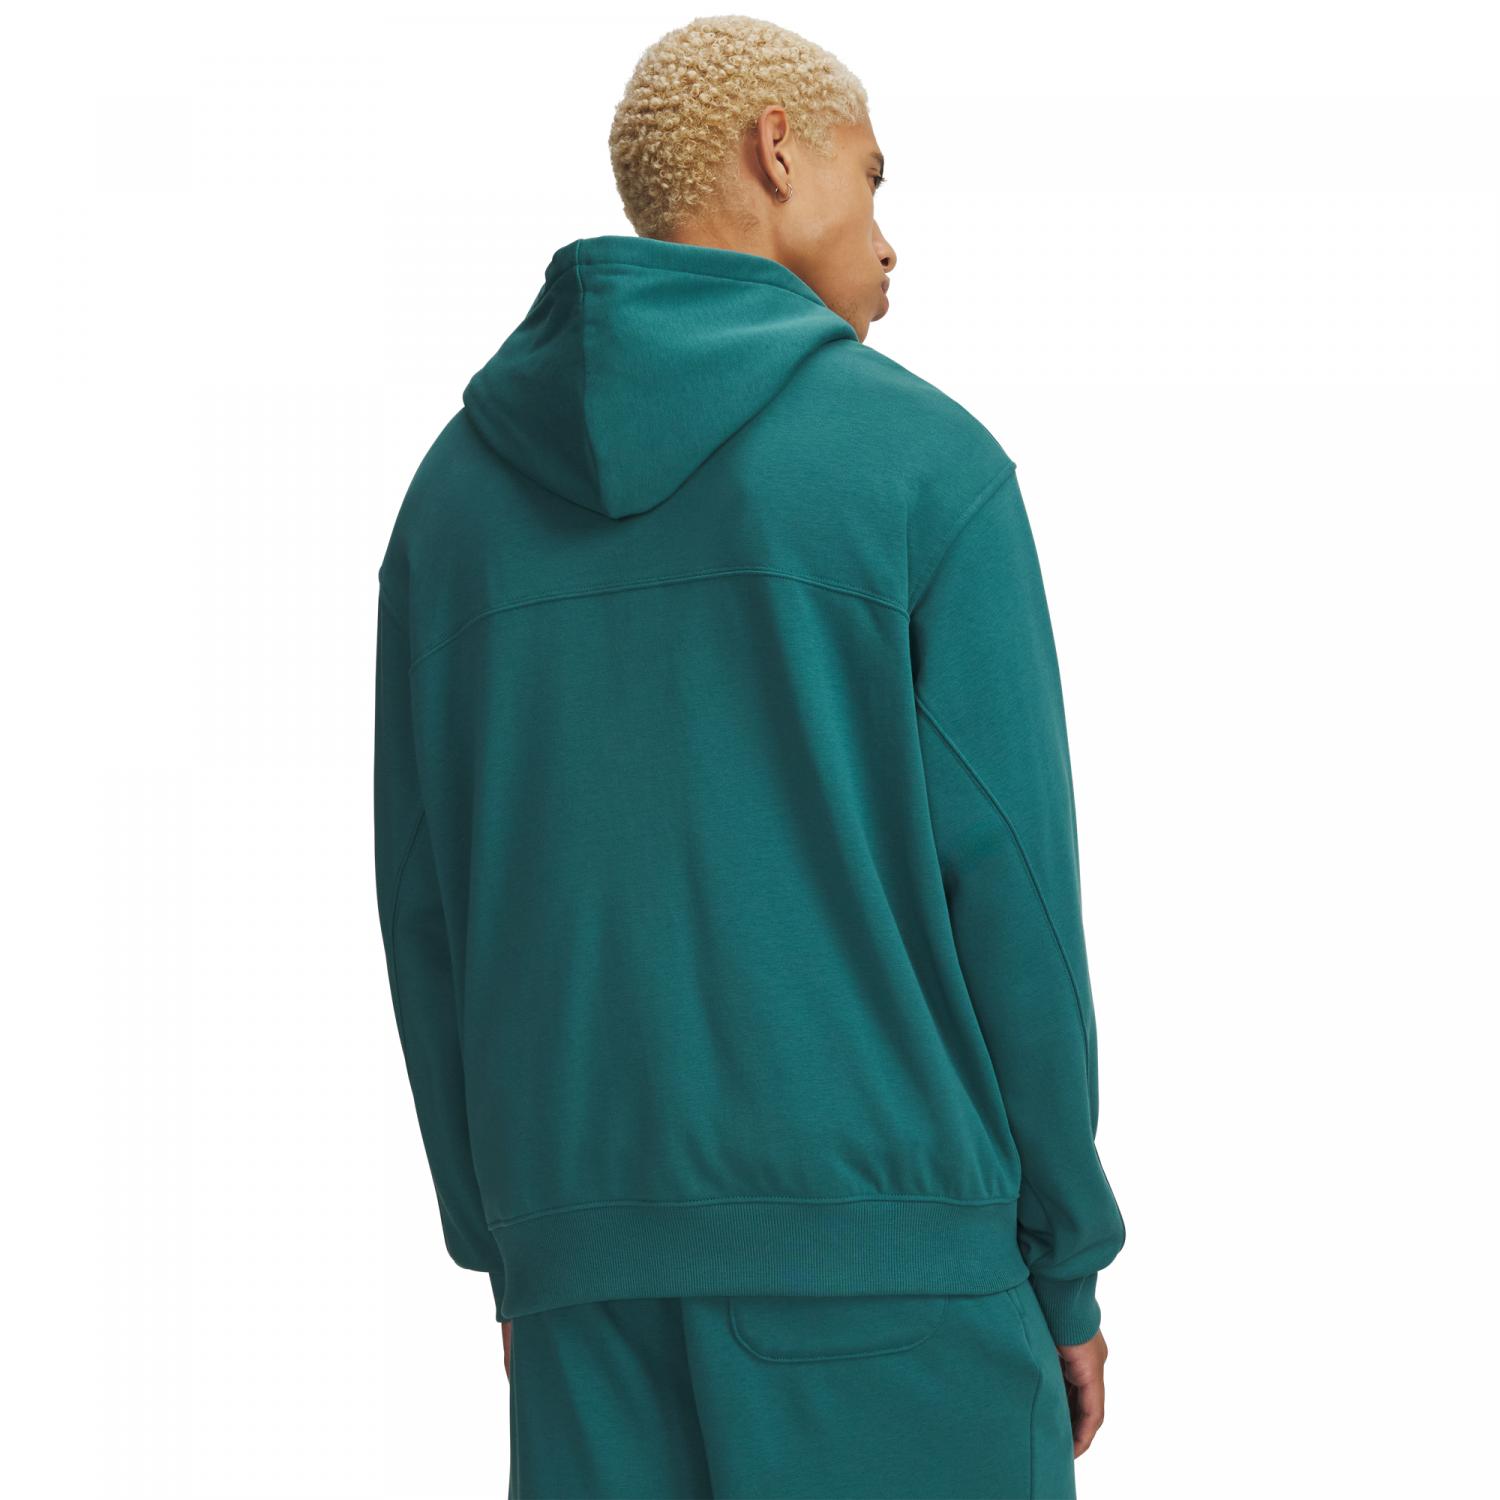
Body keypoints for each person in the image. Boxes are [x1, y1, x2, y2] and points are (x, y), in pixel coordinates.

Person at [373, 15, 1126, 1498]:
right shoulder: (924, 464)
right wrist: (1069, 1261)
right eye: (873, 178)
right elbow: (1016, 898)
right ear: (780, 150)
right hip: (898, 1280)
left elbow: (428, 914)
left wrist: (517, 1250)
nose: (890, 241)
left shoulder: (448, 504)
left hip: (587, 1288)